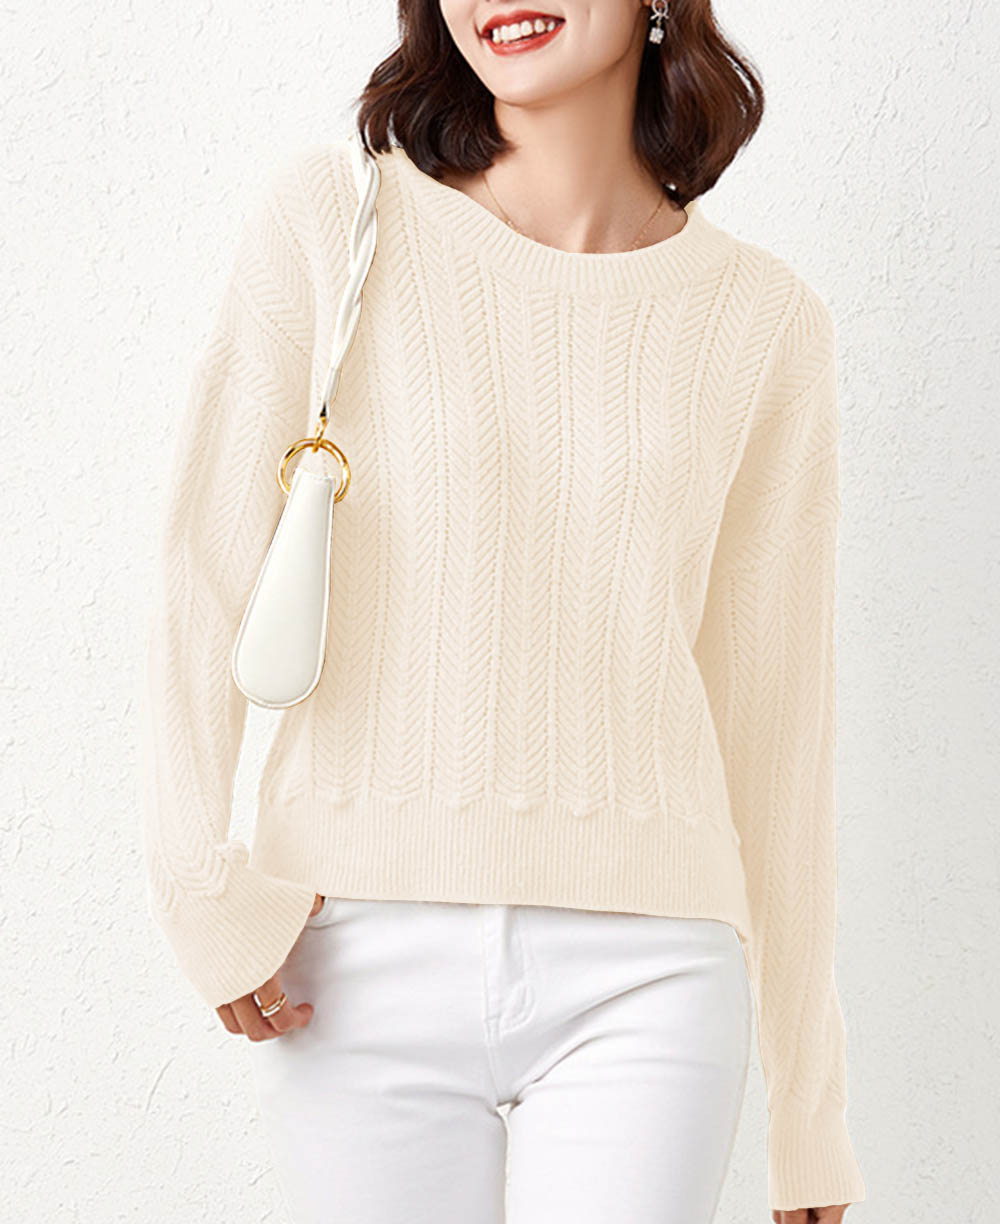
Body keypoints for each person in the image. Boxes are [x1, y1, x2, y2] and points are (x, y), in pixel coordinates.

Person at [138, 1, 867, 1222]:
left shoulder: (762, 320)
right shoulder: (331, 224)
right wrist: (196, 884)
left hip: (651, 974)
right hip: (350, 961)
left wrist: (808, 1106)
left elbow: (777, 726)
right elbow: (200, 574)